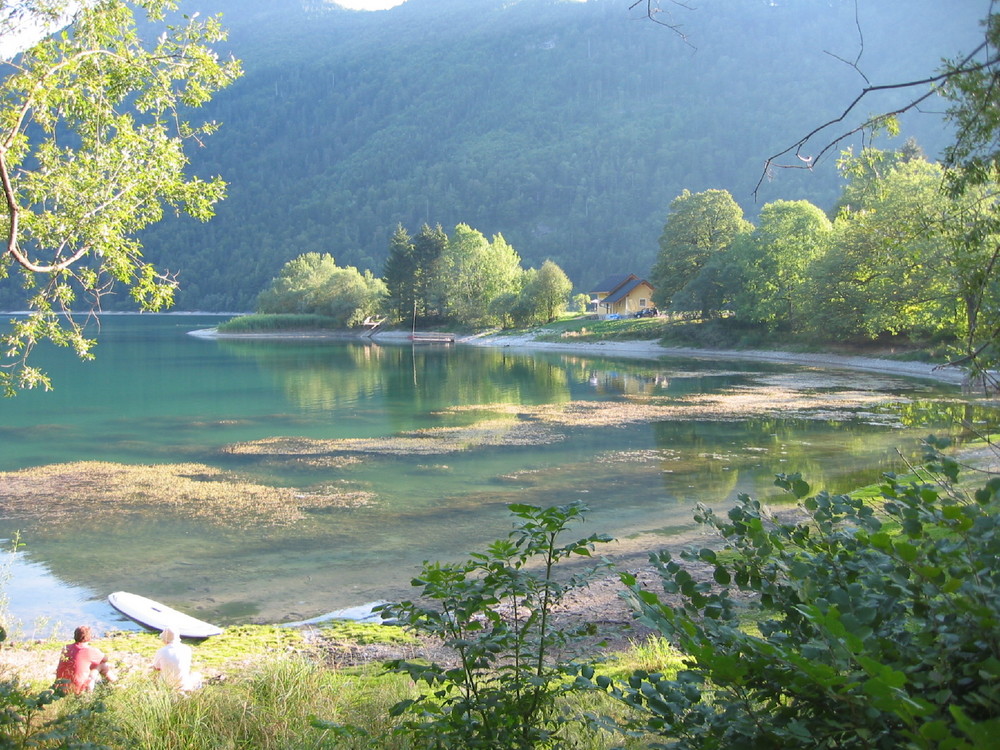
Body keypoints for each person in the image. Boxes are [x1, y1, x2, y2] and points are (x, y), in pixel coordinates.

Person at [55, 625, 113, 694]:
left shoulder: (66, 648)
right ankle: (115, 682)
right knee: (102, 665)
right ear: (89, 637)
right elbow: (105, 659)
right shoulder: (90, 650)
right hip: (78, 689)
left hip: (60, 686)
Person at [151, 628, 203, 692]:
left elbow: (156, 669)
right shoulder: (187, 649)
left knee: (156, 671)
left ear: (165, 639)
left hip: (166, 685)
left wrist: (154, 682)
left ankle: (157, 689)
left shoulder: (161, 651)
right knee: (197, 675)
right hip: (184, 685)